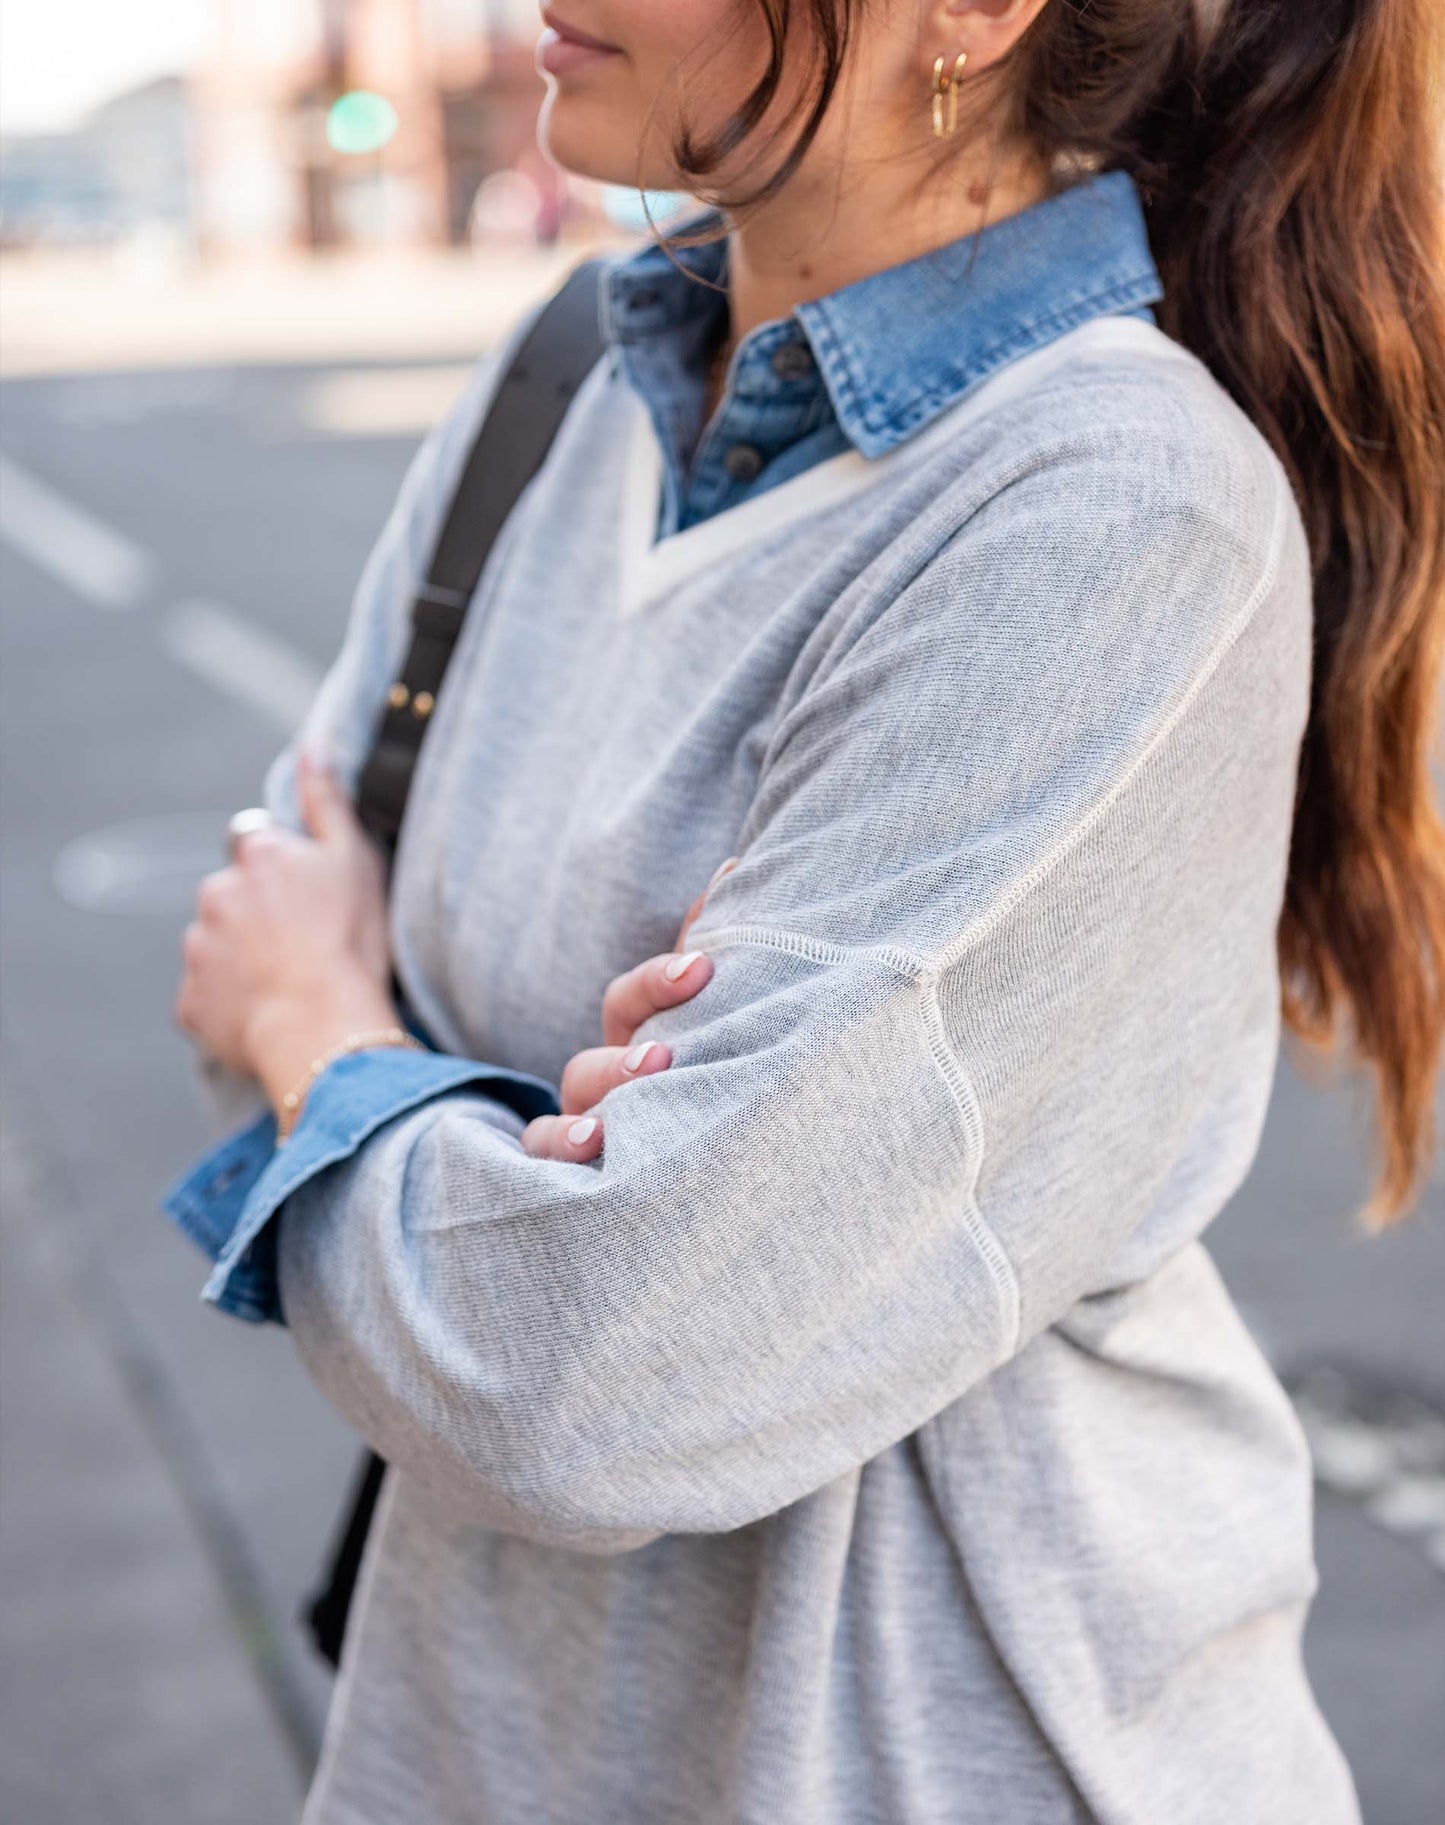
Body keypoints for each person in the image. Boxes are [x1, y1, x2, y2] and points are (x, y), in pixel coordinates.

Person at [163, 1, 1445, 1820]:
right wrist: (535, 1166)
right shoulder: (566, 383)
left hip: (929, 1748)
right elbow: (251, 928)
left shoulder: (1105, 511)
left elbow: (576, 1375)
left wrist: (333, 1041)